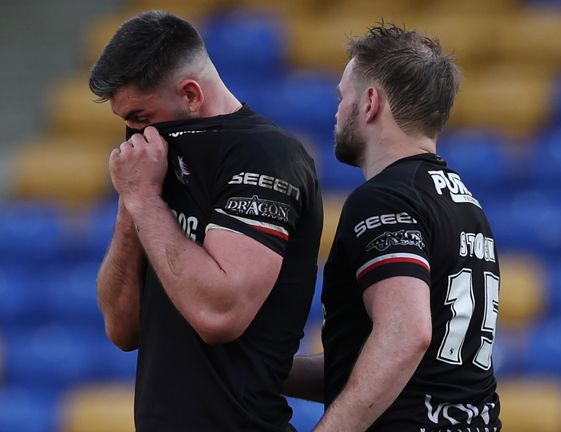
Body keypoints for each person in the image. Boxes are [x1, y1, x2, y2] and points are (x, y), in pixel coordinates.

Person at [89, 11, 323, 431]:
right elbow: (121, 329)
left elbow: (220, 315)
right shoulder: (158, 162)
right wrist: (131, 205)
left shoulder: (266, 156)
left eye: (140, 117)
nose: (135, 136)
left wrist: (143, 200)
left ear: (192, 94)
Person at [284, 24, 501, 431]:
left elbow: (405, 335)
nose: (336, 111)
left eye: (342, 96)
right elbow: (388, 361)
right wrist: (265, 370)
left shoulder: (384, 199)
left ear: (370, 102)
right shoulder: (465, 203)